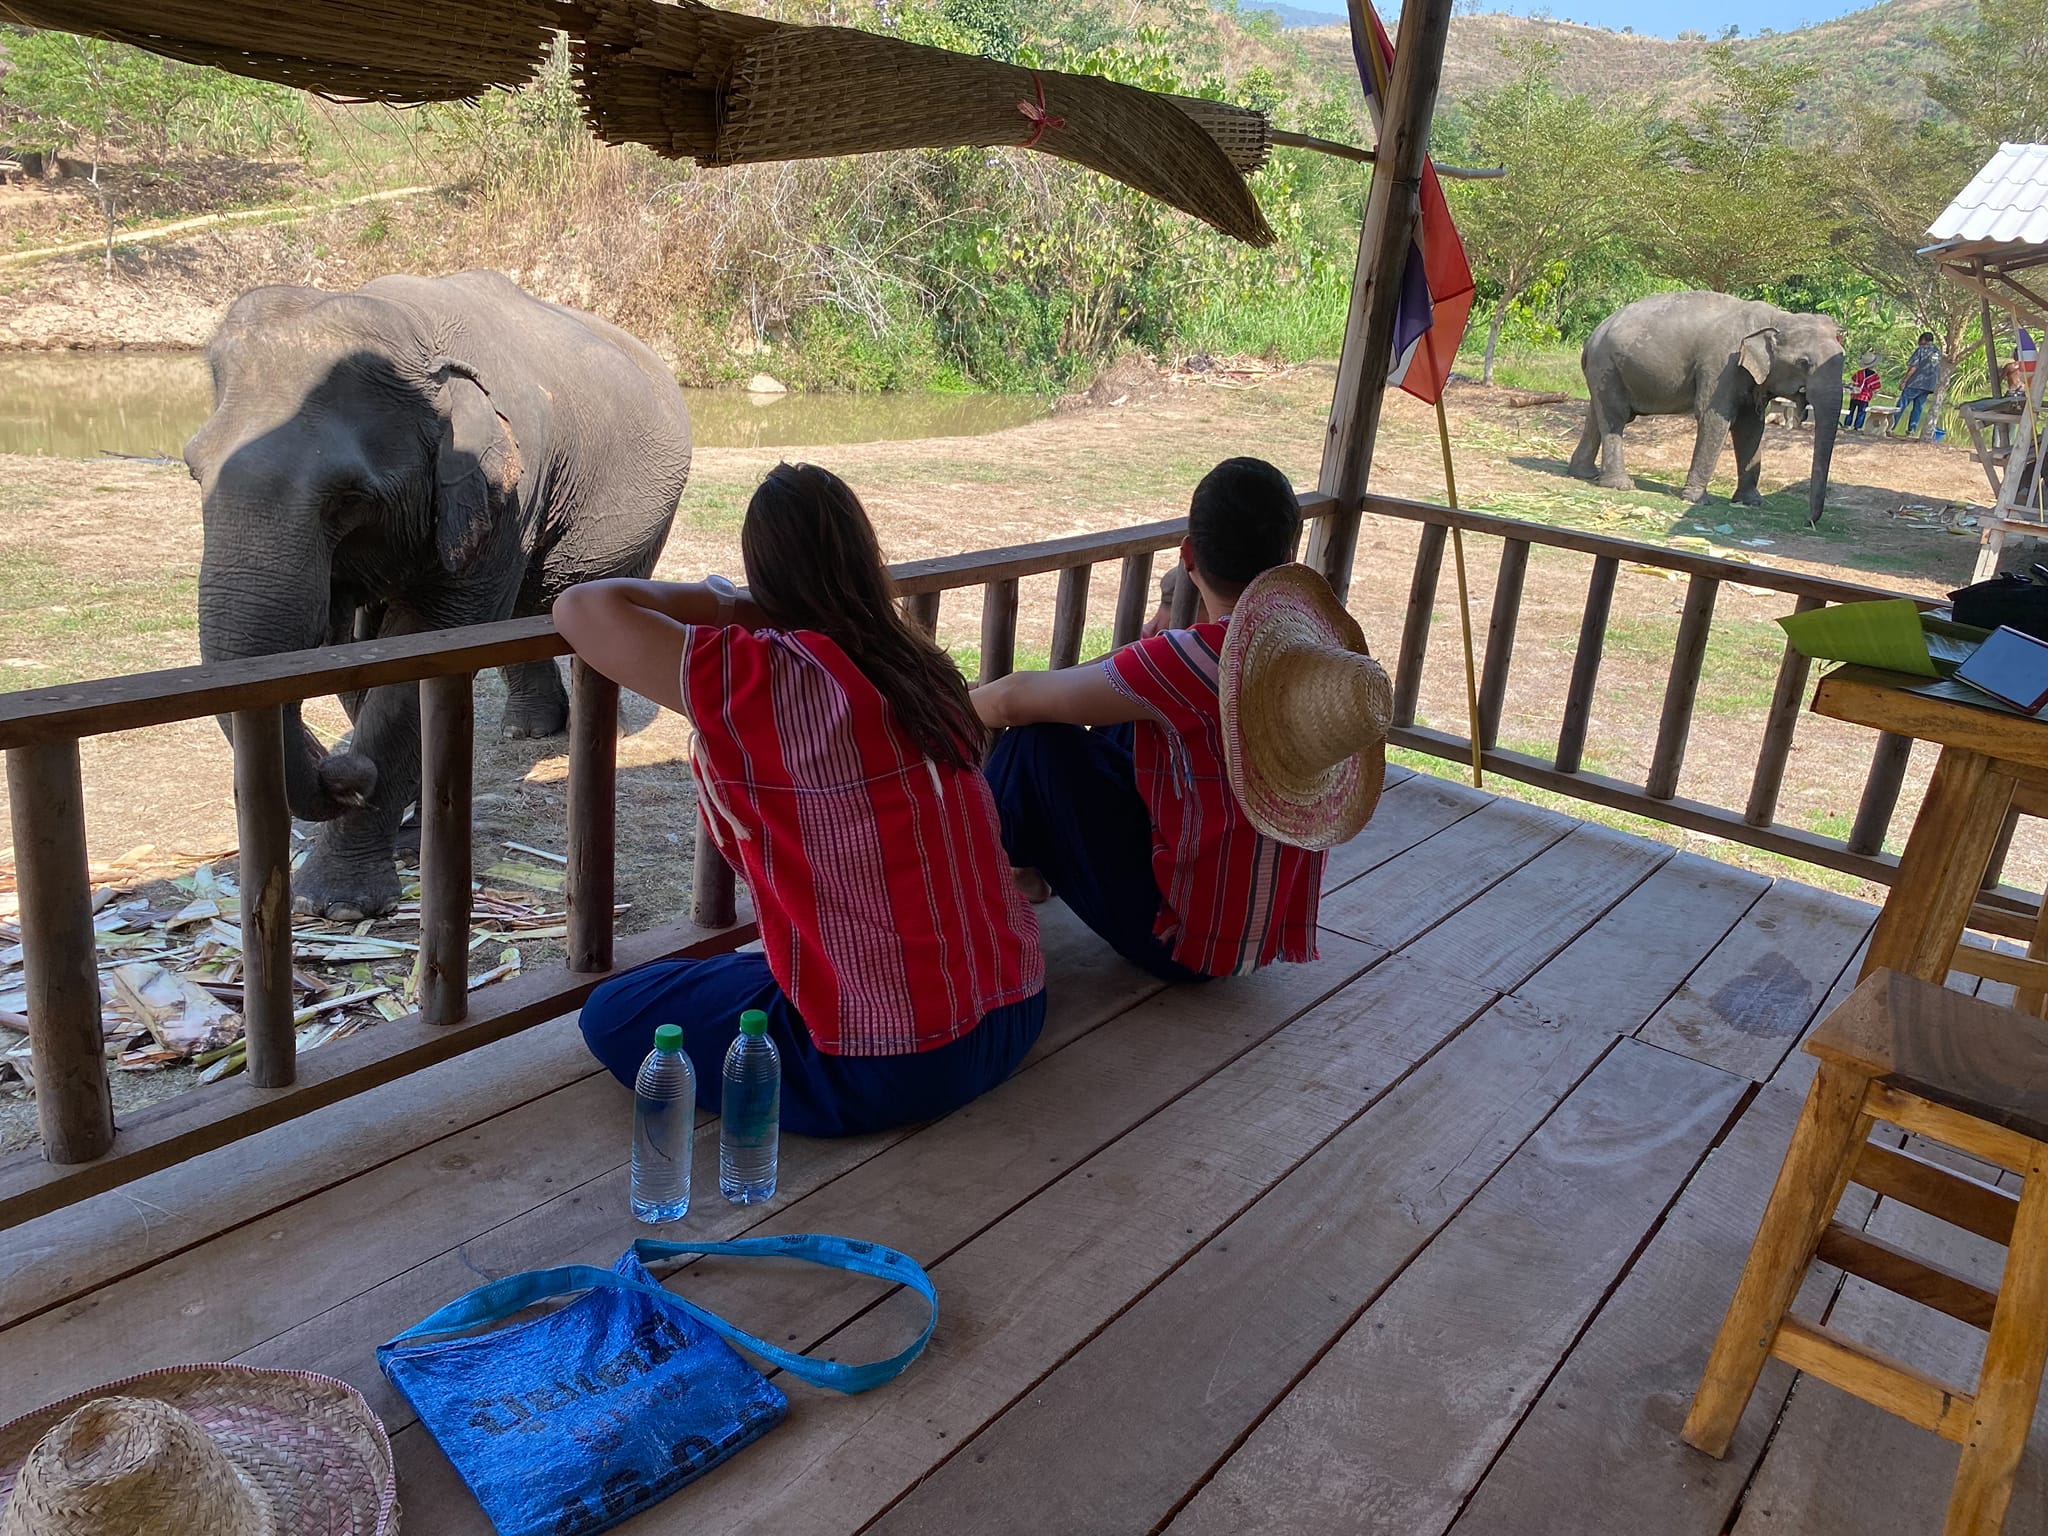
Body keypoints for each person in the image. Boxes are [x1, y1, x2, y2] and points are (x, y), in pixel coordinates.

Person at [555, 463, 1046, 1138]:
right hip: (1014, 1008)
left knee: (613, 1012)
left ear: (769, 575)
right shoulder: (921, 666)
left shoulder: (772, 677)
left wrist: (726, 602)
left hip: (889, 1064)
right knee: (721, 981)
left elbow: (582, 608)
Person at [975, 456, 1391, 983]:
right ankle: (1025, 868)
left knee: (1036, 746)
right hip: (1263, 933)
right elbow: (1107, 681)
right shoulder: (1313, 655)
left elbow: (1012, 702)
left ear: (1188, 555)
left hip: (1183, 944)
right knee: (1128, 708)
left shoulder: (1196, 658)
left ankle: (988, 880)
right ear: (1289, 556)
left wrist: (945, 702)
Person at [1891, 332, 1941, 438]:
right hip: (1928, 385)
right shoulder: (1938, 352)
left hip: (1915, 383)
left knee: (1901, 405)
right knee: (1918, 408)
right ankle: (1911, 431)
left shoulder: (1921, 350)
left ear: (1923, 339)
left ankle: (1890, 427)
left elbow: (1913, 367)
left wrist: (1904, 381)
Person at [1845, 353, 1881, 431]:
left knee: (1851, 410)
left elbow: (1853, 379)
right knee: (1861, 412)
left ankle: (1847, 425)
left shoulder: (1859, 373)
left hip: (1855, 395)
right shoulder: (1875, 376)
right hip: (1865, 397)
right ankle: (1857, 427)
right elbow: (1876, 387)